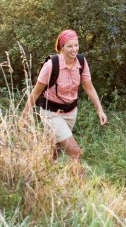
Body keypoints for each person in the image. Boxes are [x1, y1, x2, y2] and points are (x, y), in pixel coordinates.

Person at [22, 29, 107, 171]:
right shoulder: (50, 66)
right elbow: (36, 93)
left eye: (76, 45)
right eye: (69, 46)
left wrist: (100, 110)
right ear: (61, 48)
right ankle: (81, 187)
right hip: (51, 113)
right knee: (75, 152)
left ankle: (41, 173)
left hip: (70, 112)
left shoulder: (81, 61)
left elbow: (89, 88)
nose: (74, 49)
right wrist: (23, 117)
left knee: (55, 150)